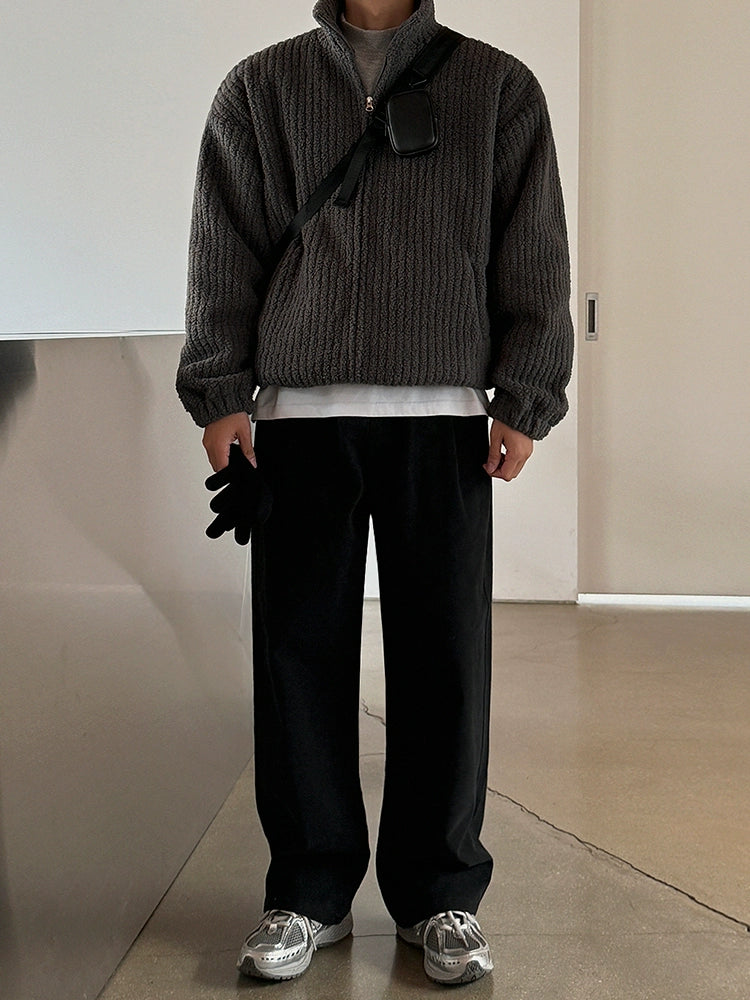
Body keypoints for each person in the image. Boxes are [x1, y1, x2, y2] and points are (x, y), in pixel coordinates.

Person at [176, 0, 573, 986]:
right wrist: (220, 391)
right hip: (299, 417)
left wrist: (527, 395)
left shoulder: (497, 87)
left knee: (446, 656)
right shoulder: (260, 87)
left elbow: (534, 249)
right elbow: (223, 247)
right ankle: (308, 892)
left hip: (444, 416)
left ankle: (440, 894)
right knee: (297, 655)